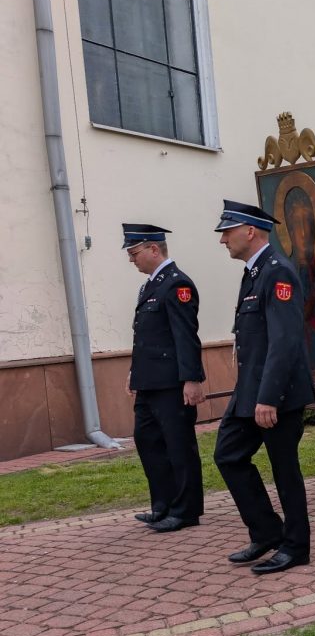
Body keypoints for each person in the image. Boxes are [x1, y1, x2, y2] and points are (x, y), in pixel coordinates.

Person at [213, 200, 315, 575]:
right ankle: (267, 530)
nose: (223, 239)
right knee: (228, 455)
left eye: (227, 231)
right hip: (251, 390)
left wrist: (269, 398)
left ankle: (296, 546)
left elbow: (285, 342)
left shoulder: (278, 273)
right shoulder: (253, 273)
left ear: (250, 231)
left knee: (285, 470)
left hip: (278, 395)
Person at [122, 223, 206, 533]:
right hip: (149, 381)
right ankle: (163, 505)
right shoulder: (150, 285)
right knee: (147, 440)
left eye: (135, 253)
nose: (132, 259)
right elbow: (146, 335)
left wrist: (192, 379)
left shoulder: (176, 284)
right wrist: (135, 371)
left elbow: (185, 336)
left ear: (154, 249)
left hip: (172, 383)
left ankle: (185, 510)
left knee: (178, 445)